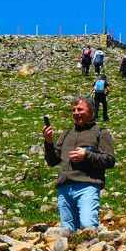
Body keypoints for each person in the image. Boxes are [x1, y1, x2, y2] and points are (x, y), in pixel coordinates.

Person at [43, 99, 115, 232]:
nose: (76, 113)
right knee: (68, 231)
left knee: (88, 226)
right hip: (64, 189)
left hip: (87, 186)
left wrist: (86, 155)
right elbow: (52, 161)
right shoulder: (66, 133)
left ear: (91, 111)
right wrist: (48, 142)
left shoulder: (101, 133)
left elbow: (109, 160)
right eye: (74, 110)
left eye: (80, 109)